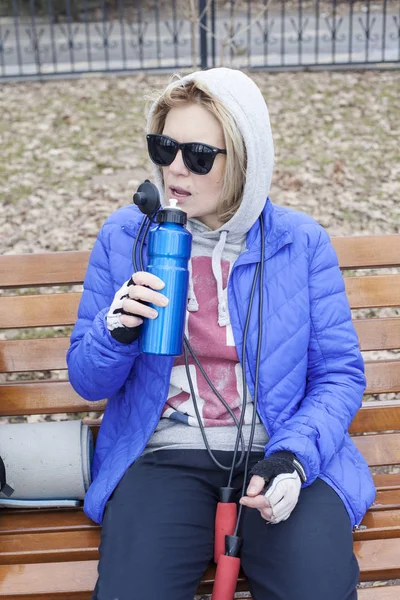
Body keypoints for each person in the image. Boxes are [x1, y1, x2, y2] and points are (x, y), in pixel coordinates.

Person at [67, 67, 376, 600]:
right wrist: (112, 331)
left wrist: (293, 458)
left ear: (245, 162)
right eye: (164, 148)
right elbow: (87, 380)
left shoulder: (299, 243)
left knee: (317, 588)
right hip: (162, 453)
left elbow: (339, 375)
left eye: (199, 156)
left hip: (275, 451)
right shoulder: (127, 236)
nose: (174, 170)